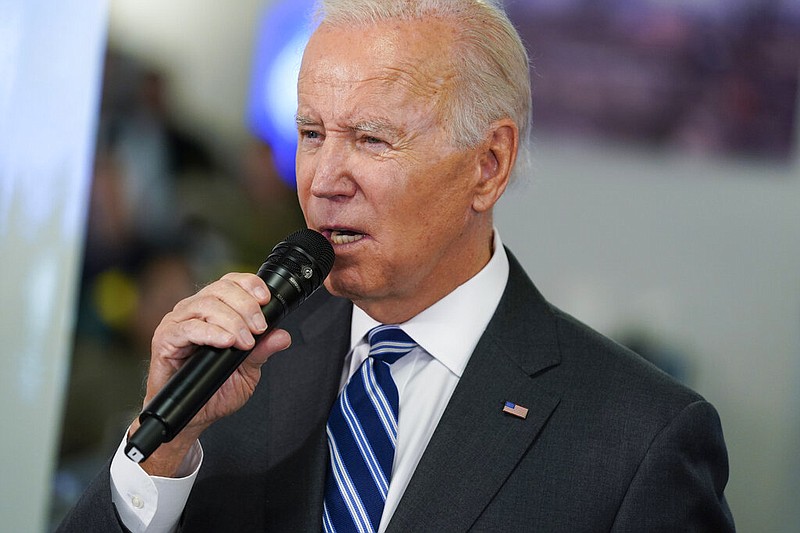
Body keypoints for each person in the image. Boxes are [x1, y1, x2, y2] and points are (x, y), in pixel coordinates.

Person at [58, 0, 735, 531]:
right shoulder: (235, 371)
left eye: (372, 139)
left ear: (488, 165)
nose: (324, 178)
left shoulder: (638, 438)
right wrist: (162, 450)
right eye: (311, 133)